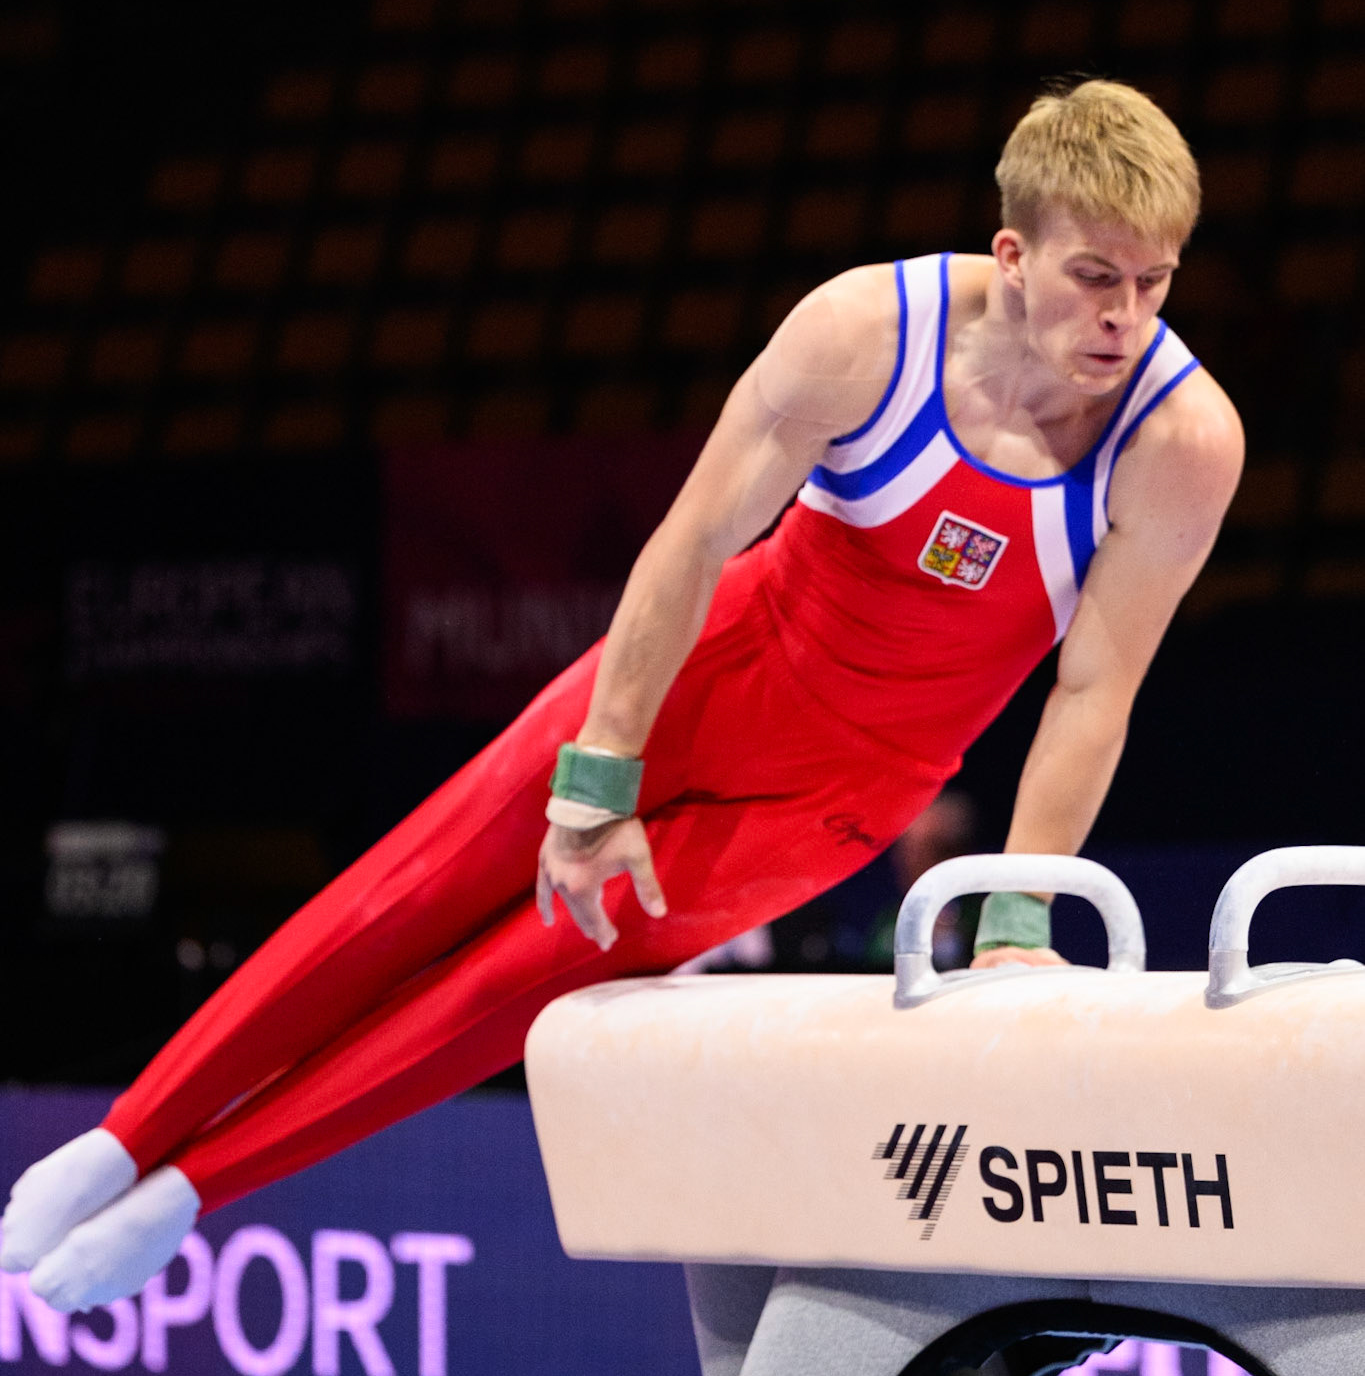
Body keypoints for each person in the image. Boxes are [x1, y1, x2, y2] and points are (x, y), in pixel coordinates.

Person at [1, 80, 1243, 1312]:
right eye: (1096, 276)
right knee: (403, 893)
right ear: (1013, 254)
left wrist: (1014, 925)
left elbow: (1093, 687)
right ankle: (125, 1137)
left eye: (1156, 282)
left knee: (501, 989)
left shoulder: (1181, 442)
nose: (1124, 317)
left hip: (835, 796)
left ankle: (191, 1191)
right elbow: (694, 539)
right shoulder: (868, 332)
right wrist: (600, 777)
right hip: (720, 658)